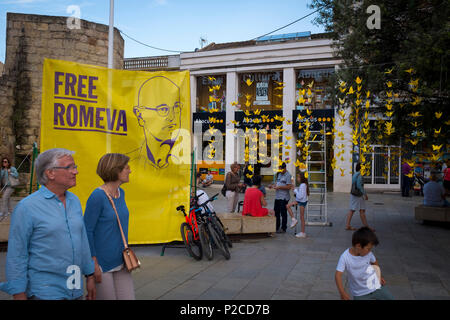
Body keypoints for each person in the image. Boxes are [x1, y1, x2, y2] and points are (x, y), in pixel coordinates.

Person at [0, 148, 95, 300]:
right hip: (44, 292)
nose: (75, 172)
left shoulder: (74, 201)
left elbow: (81, 240)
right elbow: (17, 254)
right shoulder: (27, 207)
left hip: (75, 290)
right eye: (69, 167)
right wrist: (18, 293)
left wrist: (90, 275)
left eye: (75, 167)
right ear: (50, 173)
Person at [83, 153, 136, 300]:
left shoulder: (121, 193)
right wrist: (93, 263)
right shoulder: (97, 196)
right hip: (102, 264)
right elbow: (87, 230)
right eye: (127, 167)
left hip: (122, 261)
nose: (130, 171)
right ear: (116, 170)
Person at [131, 76, 183, 169]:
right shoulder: (130, 164)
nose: (172, 117)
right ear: (140, 116)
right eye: (163, 109)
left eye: (176, 107)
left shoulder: (185, 162)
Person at [335, 227, 394, 300]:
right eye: (368, 249)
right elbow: (338, 275)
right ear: (358, 246)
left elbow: (374, 262)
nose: (370, 251)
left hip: (376, 287)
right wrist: (342, 293)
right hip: (360, 294)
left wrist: (379, 276)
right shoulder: (345, 257)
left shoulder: (368, 254)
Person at [345, 162, 374, 232]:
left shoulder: (355, 174)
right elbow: (359, 186)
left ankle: (348, 225)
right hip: (358, 195)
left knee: (355, 210)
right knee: (361, 210)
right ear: (361, 168)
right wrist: (365, 194)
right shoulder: (359, 176)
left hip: (354, 194)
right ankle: (366, 227)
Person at [269, 162, 292, 233]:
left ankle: (283, 228)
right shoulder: (279, 174)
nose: (280, 170)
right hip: (277, 196)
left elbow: (289, 187)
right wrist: (273, 185)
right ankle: (276, 226)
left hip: (284, 197)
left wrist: (279, 187)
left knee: (283, 213)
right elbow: (278, 183)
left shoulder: (288, 175)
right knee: (276, 212)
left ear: (285, 168)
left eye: (282, 169)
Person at [287, 172, 309, 238]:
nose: (298, 178)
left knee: (302, 217)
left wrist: (295, 190)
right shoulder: (303, 184)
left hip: (301, 201)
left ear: (302, 178)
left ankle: (302, 232)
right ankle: (294, 220)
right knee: (288, 206)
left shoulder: (302, 185)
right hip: (301, 201)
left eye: (299, 177)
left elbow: (300, 196)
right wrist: (295, 189)